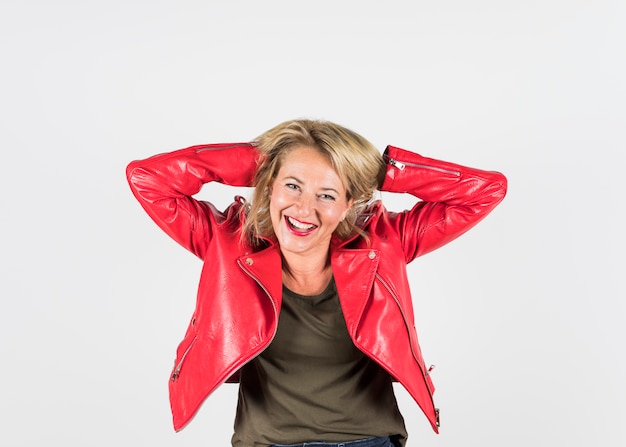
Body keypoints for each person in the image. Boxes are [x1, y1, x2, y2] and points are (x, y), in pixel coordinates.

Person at [126, 119, 507, 447]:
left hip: (368, 442)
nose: (304, 209)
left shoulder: (386, 241)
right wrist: (264, 158)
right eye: (292, 186)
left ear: (347, 203)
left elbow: (485, 190)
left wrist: (381, 171)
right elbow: (147, 178)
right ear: (269, 186)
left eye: (326, 194)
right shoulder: (224, 241)